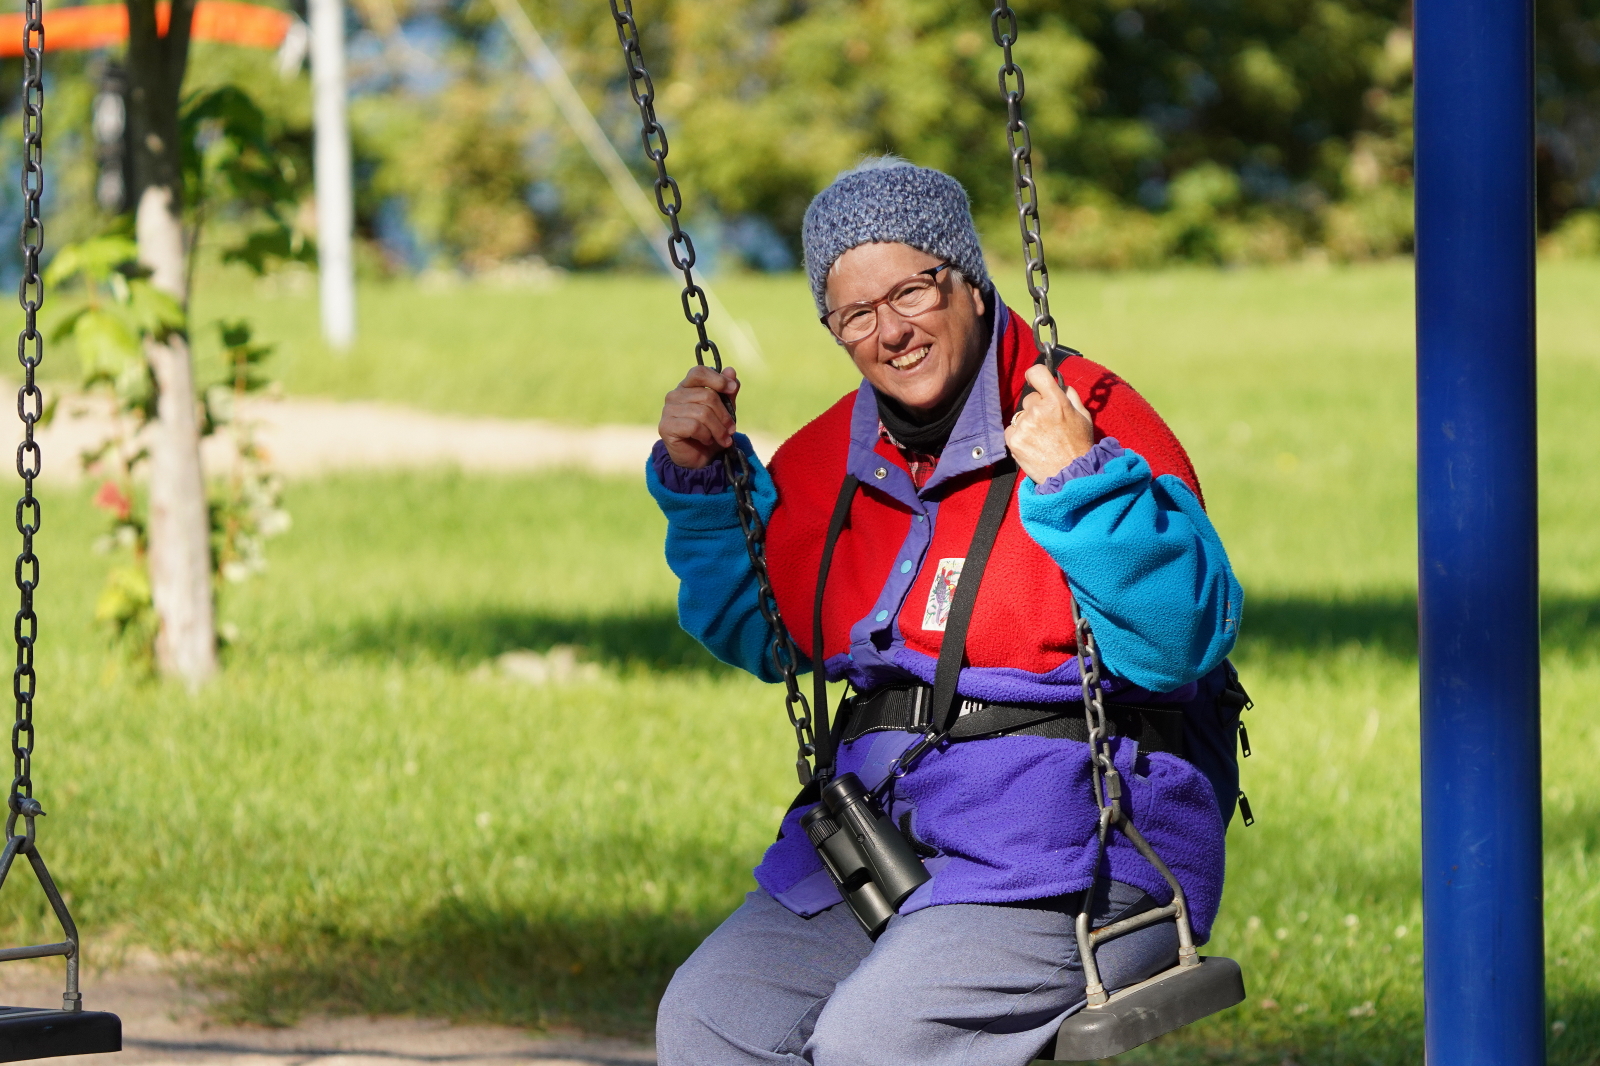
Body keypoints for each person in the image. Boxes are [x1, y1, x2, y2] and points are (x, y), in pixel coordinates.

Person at [646, 157, 1246, 1066]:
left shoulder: (1084, 420)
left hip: (1072, 852)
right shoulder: (829, 463)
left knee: (877, 1043)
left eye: (912, 292)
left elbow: (1180, 641)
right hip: (888, 843)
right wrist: (703, 485)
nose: (890, 332)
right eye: (854, 314)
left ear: (967, 279)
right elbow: (769, 634)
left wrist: (1083, 489)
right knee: (711, 1016)